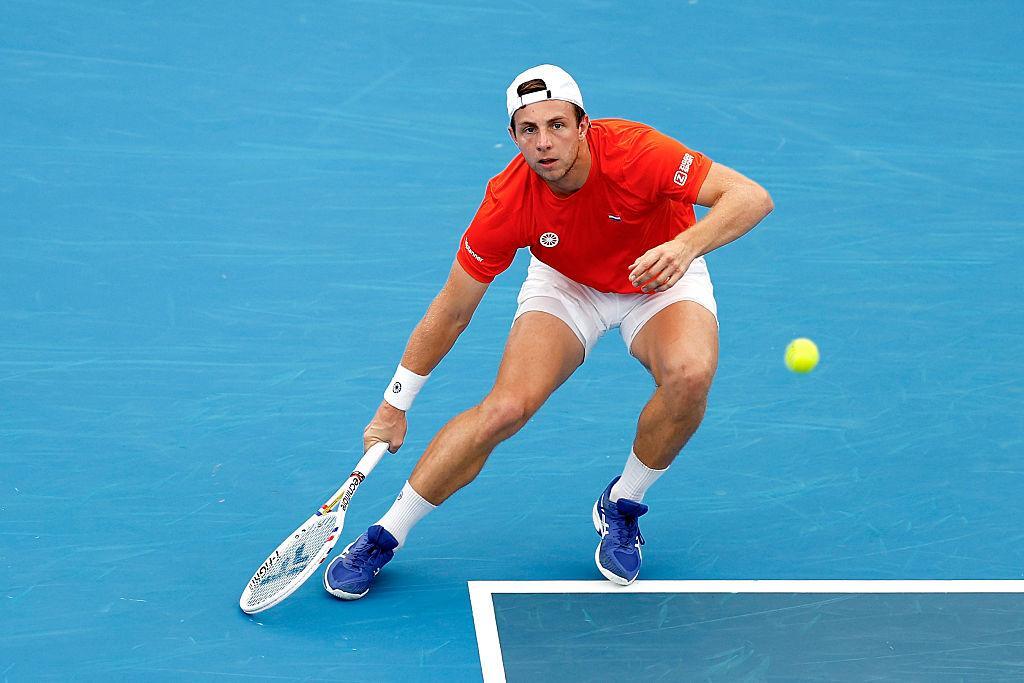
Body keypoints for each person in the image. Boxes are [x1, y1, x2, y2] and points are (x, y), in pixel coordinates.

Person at [323, 64, 773, 599]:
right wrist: (395, 403)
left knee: (690, 374)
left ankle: (623, 503)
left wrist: (685, 246)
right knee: (506, 408)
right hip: (568, 284)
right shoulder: (507, 200)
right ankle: (384, 535)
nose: (545, 142)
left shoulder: (636, 150)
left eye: (558, 125)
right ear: (513, 137)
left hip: (660, 270)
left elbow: (750, 197)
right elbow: (452, 308)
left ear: (584, 124)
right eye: (529, 130)